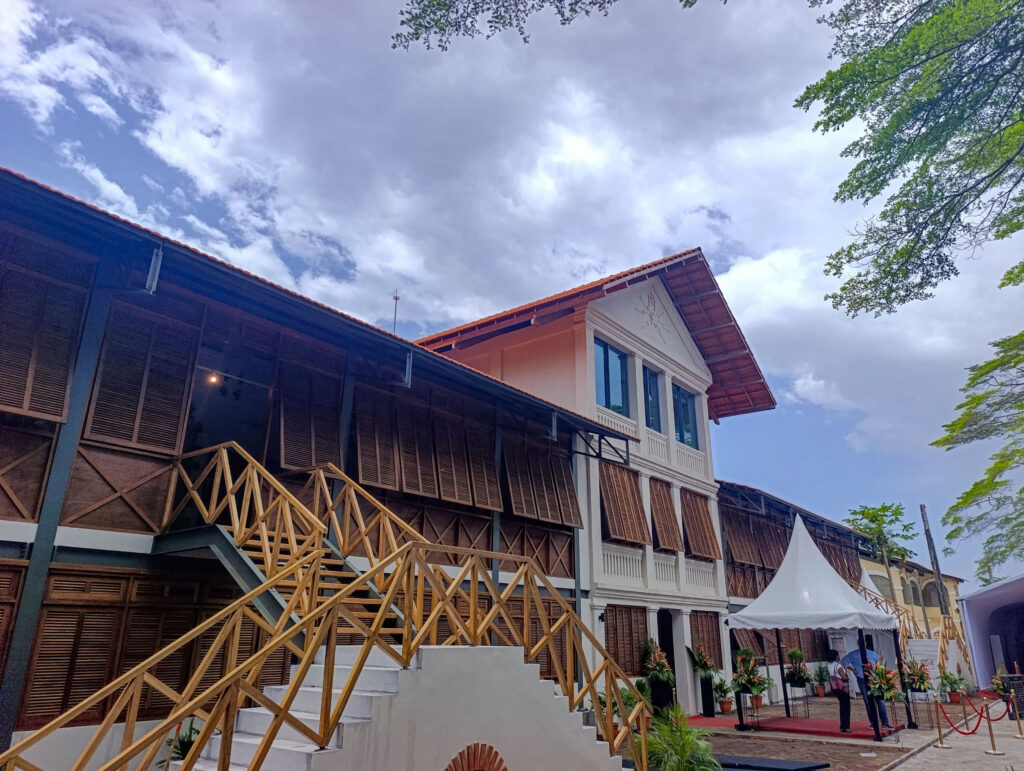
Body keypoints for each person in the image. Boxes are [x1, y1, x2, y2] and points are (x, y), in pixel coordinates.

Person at [841, 636, 892, 729]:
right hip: (868, 678)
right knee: (877, 701)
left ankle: (877, 722)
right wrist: (853, 670)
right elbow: (882, 663)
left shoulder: (864, 653)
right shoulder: (866, 653)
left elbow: (844, 661)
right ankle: (882, 723)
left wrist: (853, 670)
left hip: (869, 678)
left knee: (872, 701)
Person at [828, 648, 853, 733]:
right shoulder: (838, 666)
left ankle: (843, 725)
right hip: (842, 688)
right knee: (846, 706)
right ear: (835, 656)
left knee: (842, 706)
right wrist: (846, 674)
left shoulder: (829, 665)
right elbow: (844, 677)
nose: (839, 656)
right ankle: (846, 726)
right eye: (838, 655)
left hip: (835, 687)